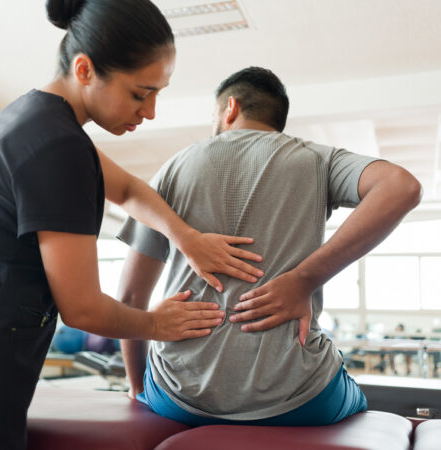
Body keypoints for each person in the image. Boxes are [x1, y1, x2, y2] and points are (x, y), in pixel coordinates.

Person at [0, 2, 265, 449]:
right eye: (140, 93)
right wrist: (157, 325)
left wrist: (185, 237)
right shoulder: (56, 148)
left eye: (158, 93)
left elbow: (126, 189)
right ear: (85, 69)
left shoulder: (36, 119)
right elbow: (83, 309)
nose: (149, 112)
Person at [117, 67, 422, 426]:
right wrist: (304, 279)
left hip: (178, 396)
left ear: (229, 108)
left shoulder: (173, 167)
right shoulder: (317, 158)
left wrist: (137, 387)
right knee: (354, 396)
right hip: (298, 399)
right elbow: (401, 186)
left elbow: (130, 298)